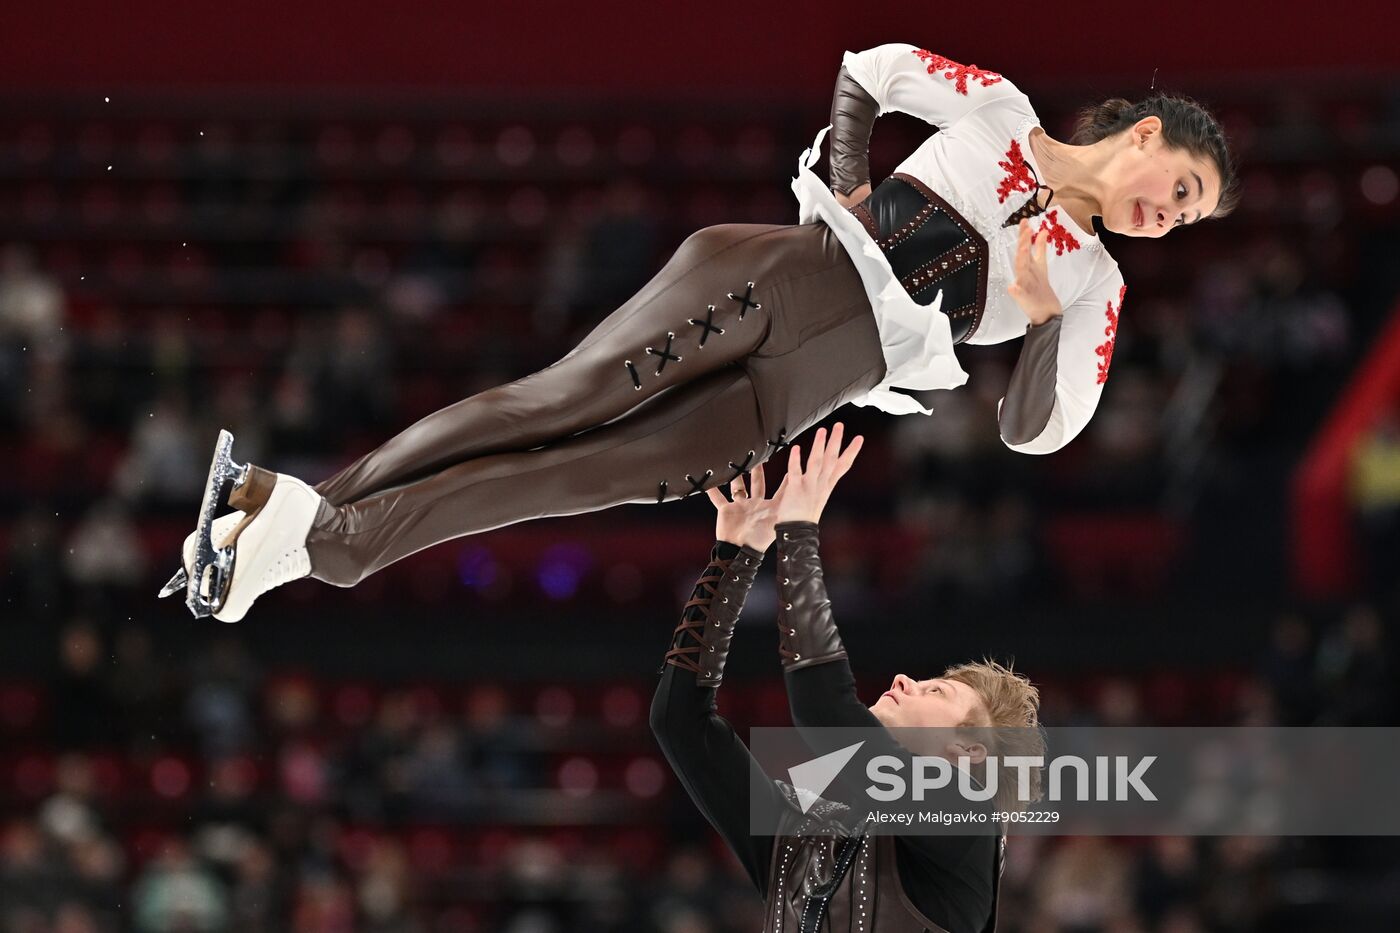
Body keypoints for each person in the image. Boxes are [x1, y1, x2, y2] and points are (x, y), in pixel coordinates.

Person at [164, 43, 1238, 621]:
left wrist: (1046, 323)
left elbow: (1035, 434)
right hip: (772, 278)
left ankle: (298, 534)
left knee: (558, 480)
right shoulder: (999, 110)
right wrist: (858, 192)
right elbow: (868, 68)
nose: (1169, 215)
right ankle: (308, 524)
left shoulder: (1092, 285)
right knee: (551, 406)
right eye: (1178, 186)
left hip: (787, 400)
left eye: (1186, 218)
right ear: (1143, 135)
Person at [650, 424, 1045, 931]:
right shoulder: (802, 835)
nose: (906, 679)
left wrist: (798, 532)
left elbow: (826, 715)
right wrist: (736, 554)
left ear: (970, 752)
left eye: (935, 691)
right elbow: (679, 722)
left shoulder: (967, 819)